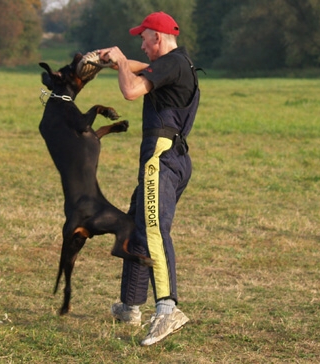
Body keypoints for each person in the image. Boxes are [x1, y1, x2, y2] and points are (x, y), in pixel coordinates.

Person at [99, 11, 200, 346]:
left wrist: (120, 61)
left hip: (162, 158)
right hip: (170, 158)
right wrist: (110, 61)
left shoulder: (172, 62)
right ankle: (130, 304)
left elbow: (130, 91)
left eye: (143, 38)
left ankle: (168, 308)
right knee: (138, 225)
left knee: (154, 228)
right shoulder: (175, 63)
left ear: (157, 37)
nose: (141, 46)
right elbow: (138, 70)